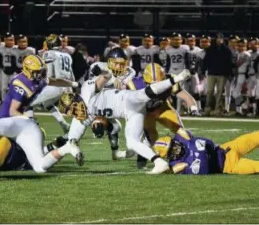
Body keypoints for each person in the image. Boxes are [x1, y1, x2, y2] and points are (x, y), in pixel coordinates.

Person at [58, 47, 192, 174]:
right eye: (116, 64)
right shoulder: (86, 98)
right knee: (131, 141)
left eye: (122, 64)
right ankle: (158, 162)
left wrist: (108, 74)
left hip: (125, 101)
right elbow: (99, 81)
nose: (120, 67)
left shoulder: (121, 75)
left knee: (142, 96)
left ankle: (176, 78)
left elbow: (108, 82)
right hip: (123, 111)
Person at [127, 62, 198, 168]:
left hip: (163, 109)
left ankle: (192, 155)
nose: (156, 87)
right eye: (152, 85)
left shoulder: (170, 80)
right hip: (147, 113)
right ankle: (142, 158)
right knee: (151, 137)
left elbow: (185, 96)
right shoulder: (135, 84)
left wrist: (193, 108)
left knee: (181, 132)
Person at [153, 129, 259, 175]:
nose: (176, 148)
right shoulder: (177, 166)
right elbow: (205, 169)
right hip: (229, 165)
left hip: (226, 148)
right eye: (172, 150)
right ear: (168, 156)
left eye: (173, 144)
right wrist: (201, 149)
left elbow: (209, 143)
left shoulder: (182, 137)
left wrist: (202, 150)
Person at [202, 33, 233, 116]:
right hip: (211, 73)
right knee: (209, 92)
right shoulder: (210, 49)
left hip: (222, 74)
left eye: (220, 38)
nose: (219, 40)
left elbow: (229, 63)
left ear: (223, 39)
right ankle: (207, 109)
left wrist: (229, 74)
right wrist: (203, 70)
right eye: (217, 38)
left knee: (219, 92)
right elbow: (206, 61)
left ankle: (218, 110)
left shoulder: (226, 49)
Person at [165, 32, 189, 114]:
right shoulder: (168, 49)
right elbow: (168, 62)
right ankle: (172, 108)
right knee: (171, 92)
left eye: (178, 39)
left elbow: (187, 62)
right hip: (171, 72)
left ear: (181, 40)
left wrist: (187, 72)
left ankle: (179, 110)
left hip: (181, 72)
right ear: (171, 40)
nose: (176, 41)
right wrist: (166, 72)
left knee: (179, 92)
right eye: (174, 39)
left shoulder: (184, 49)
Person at [232, 38, 251, 116]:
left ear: (245, 46)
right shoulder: (237, 53)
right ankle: (239, 110)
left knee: (236, 93)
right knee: (236, 93)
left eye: (242, 46)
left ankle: (245, 107)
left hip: (243, 75)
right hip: (238, 75)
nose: (240, 47)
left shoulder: (246, 54)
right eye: (239, 46)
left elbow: (237, 64)